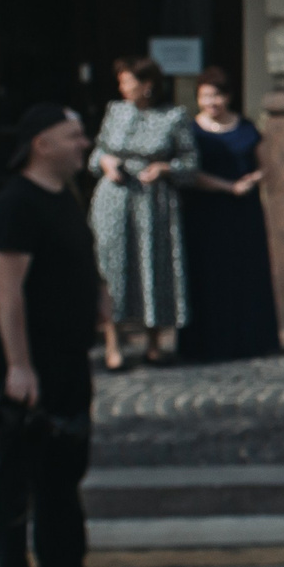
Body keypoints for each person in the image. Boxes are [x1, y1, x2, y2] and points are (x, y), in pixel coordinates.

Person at [0, 103, 120, 567]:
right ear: (42, 144)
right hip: (30, 360)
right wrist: (19, 366)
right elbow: (8, 295)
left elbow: (78, 258)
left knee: (64, 465)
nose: (83, 144)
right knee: (17, 473)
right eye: (73, 136)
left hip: (66, 353)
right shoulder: (15, 205)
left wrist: (98, 295)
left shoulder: (63, 194)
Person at [90, 56, 196, 369]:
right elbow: (97, 152)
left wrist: (166, 168)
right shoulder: (115, 111)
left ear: (147, 86)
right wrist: (106, 163)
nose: (122, 88)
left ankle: (154, 342)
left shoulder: (174, 116)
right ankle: (113, 343)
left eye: (128, 82)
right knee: (112, 268)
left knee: (154, 266)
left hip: (154, 203)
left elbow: (191, 164)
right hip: (115, 199)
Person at [178, 68, 281, 363]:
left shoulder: (246, 127)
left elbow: (266, 166)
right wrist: (228, 187)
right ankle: (207, 343)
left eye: (217, 95)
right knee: (208, 274)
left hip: (242, 212)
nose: (211, 102)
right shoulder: (190, 130)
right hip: (204, 212)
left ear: (228, 97)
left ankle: (249, 340)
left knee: (244, 273)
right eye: (205, 96)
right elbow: (190, 172)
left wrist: (252, 181)